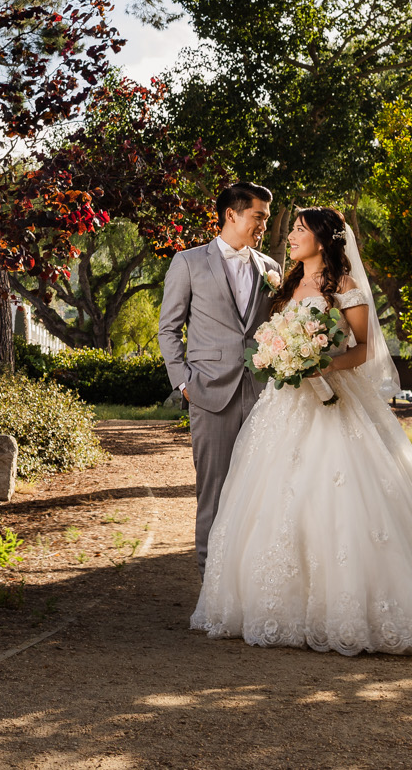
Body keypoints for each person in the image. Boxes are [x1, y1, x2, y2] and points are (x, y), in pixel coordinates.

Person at [190, 206, 412, 657]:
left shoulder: (346, 288)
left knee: (339, 498)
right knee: (274, 499)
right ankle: (275, 606)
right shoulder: (283, 286)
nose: (292, 237)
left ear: (323, 239)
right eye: (293, 230)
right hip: (283, 407)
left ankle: (354, 611)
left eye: (300, 230)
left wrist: (317, 363)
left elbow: (364, 350)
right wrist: (281, 360)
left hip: (333, 402)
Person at [158, 180, 280, 571]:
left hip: (263, 394)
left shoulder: (272, 269)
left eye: (267, 217)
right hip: (208, 392)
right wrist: (183, 383)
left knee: (263, 487)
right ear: (232, 214)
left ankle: (251, 574)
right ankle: (211, 576)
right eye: (259, 216)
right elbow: (168, 328)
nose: (264, 224)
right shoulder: (188, 261)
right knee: (213, 488)